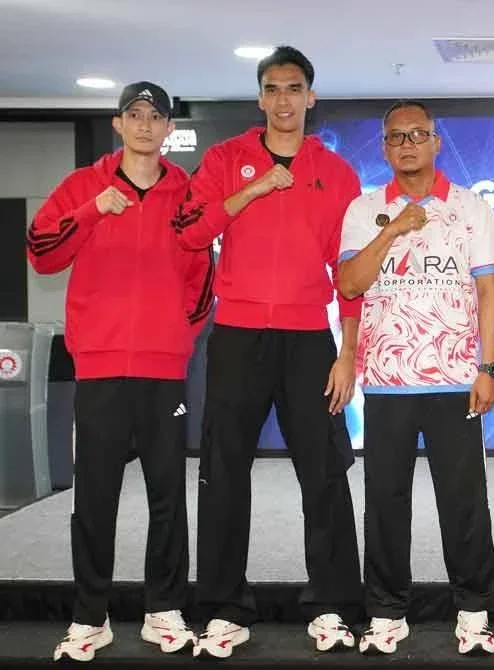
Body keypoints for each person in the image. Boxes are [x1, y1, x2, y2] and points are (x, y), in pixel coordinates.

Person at [172, 46, 363, 659]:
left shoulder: (335, 173)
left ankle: (333, 604)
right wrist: (246, 196)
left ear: (310, 97)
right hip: (238, 336)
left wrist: (348, 352)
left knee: (325, 474)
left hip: (311, 340)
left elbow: (351, 272)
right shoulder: (228, 159)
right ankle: (224, 607)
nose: (283, 99)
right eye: (272, 88)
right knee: (224, 472)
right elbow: (192, 231)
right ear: (260, 98)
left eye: (294, 88)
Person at [28, 82, 214, 662]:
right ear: (118, 124)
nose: (144, 124)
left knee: (167, 493)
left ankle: (165, 610)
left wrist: (172, 341)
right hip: (101, 369)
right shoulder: (85, 186)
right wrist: (90, 212)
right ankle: (91, 617)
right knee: (96, 497)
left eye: (155, 117)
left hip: (163, 371)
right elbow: (41, 251)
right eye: (134, 114)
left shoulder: (185, 193)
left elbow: (201, 282)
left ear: (166, 131)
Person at [337, 100, 494, 656]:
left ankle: (475, 609)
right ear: (385, 148)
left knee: (464, 500)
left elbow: (487, 293)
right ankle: (386, 610)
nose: (408, 144)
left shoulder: (471, 208)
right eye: (396, 137)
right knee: (386, 500)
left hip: (456, 378)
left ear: (437, 141)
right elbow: (352, 283)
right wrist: (395, 230)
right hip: (387, 380)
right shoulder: (364, 209)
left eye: (418, 134)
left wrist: (487, 366)